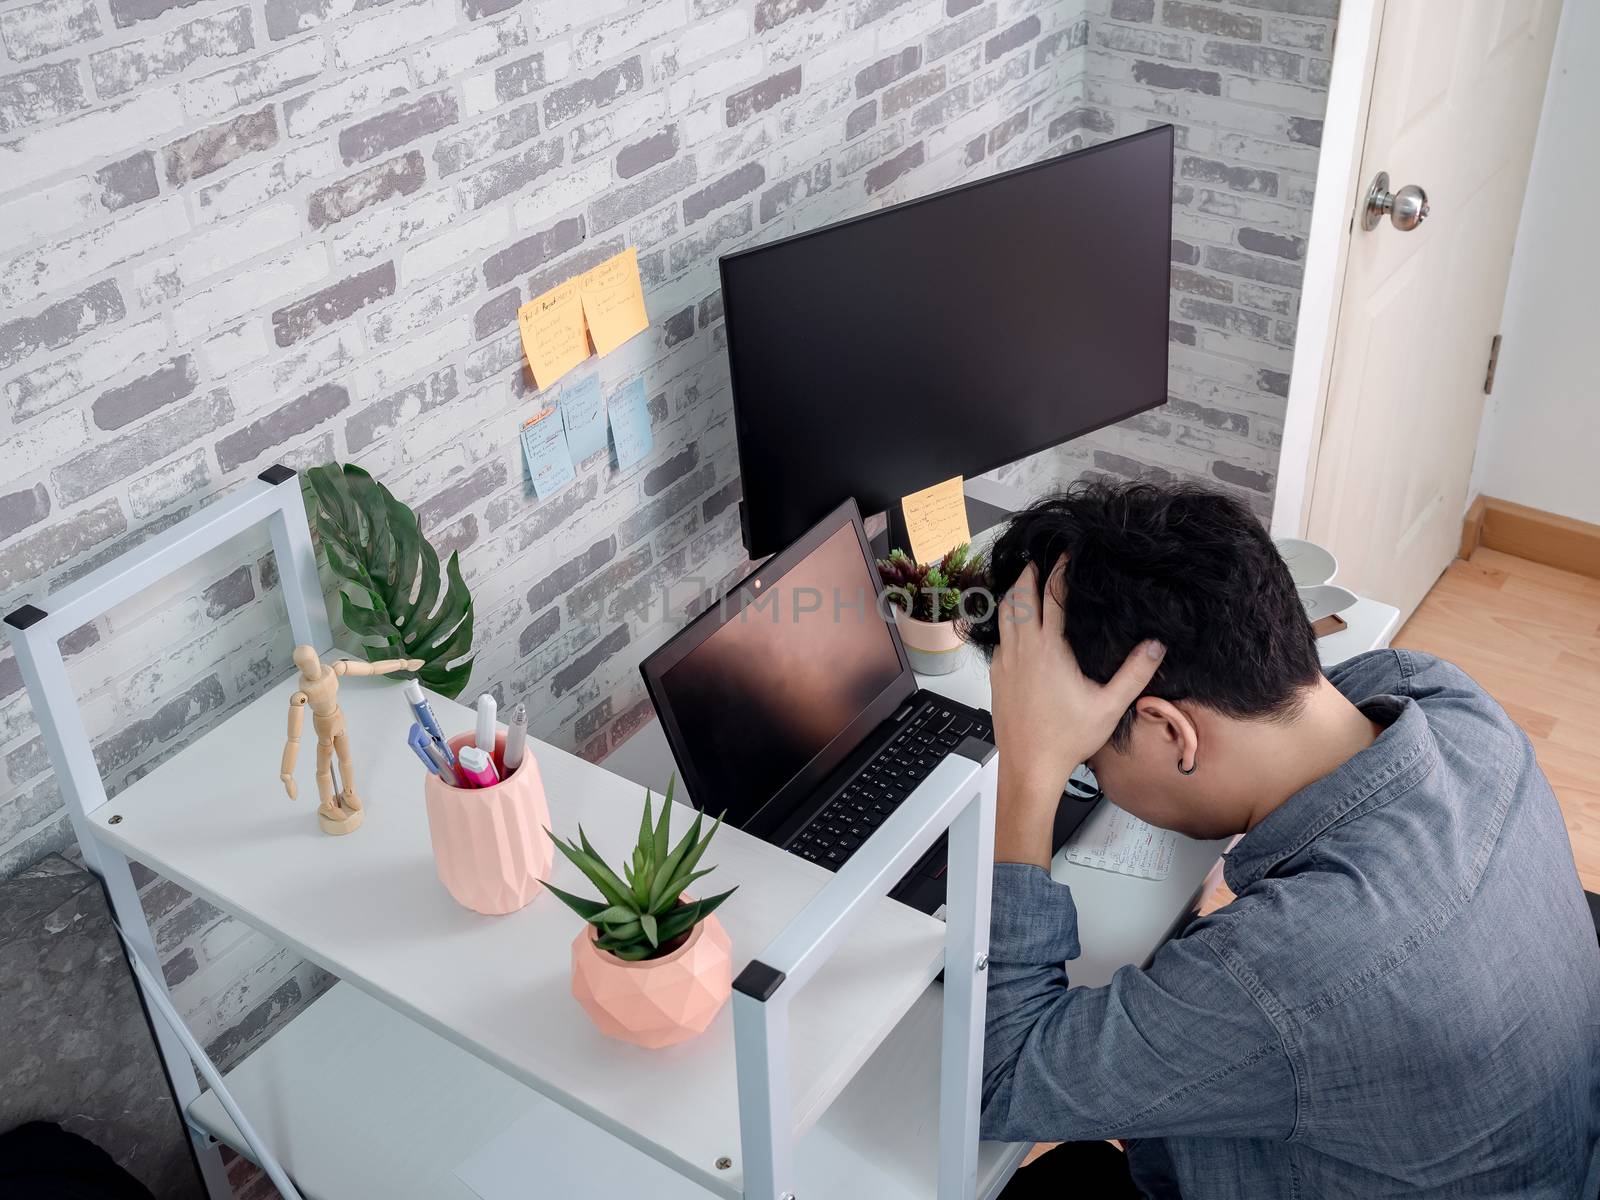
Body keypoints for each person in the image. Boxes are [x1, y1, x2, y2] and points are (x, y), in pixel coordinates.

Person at [964, 480, 1600, 1199]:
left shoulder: (1281, 967)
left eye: (1089, 760)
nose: (1086, 771)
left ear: (1173, 732)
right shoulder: (1446, 699)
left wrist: (1030, 769)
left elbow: (998, 1080)